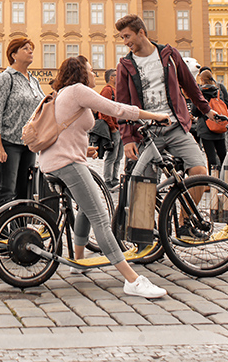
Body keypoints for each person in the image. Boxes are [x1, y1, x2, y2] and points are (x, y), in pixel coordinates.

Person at [40, 55, 169, 299]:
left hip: (57, 160)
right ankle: (132, 280)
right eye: (90, 69)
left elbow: (67, 130)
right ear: (80, 73)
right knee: (100, 216)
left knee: (86, 210)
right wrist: (155, 116)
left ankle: (78, 261)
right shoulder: (78, 90)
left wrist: (84, 149)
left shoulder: (65, 93)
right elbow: (116, 109)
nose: (94, 72)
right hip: (67, 163)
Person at [114, 15, 219, 212]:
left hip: (175, 127)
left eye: (127, 36)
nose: (125, 42)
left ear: (141, 32)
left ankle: (186, 221)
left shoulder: (169, 54)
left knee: (199, 172)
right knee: (144, 188)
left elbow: (190, 86)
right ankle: (147, 238)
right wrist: (127, 138)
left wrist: (207, 110)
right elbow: (122, 104)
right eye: (122, 38)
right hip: (145, 134)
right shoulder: (125, 66)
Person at [0, 37, 46, 213]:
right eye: (25, 48)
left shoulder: (33, 81)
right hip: (8, 142)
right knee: (6, 191)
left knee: (23, 193)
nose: (30, 51)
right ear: (13, 54)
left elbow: (42, 107)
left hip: (28, 144)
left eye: (31, 48)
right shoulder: (5, 78)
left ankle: (18, 234)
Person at [192, 68, 228, 175]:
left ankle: (213, 180)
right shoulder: (218, 91)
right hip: (219, 125)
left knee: (211, 157)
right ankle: (224, 179)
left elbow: (195, 111)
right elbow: (227, 104)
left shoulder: (200, 92)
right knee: (223, 155)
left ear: (202, 79)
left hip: (205, 128)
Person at [99, 70, 124, 189]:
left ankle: (114, 178)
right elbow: (104, 110)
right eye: (117, 75)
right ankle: (108, 180)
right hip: (113, 129)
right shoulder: (107, 90)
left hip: (119, 127)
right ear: (112, 78)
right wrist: (112, 128)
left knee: (118, 156)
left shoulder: (116, 90)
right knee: (111, 155)